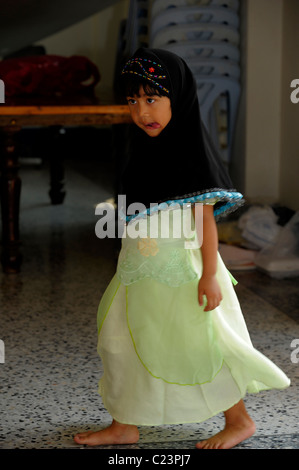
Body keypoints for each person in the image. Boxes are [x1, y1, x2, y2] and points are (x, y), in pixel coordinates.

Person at [74, 48, 290, 449]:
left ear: (179, 97)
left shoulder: (190, 156)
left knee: (199, 346)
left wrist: (210, 274)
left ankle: (239, 420)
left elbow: (203, 222)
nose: (142, 111)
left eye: (152, 98)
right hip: (137, 273)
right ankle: (125, 423)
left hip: (183, 273)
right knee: (119, 341)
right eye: (133, 101)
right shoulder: (138, 151)